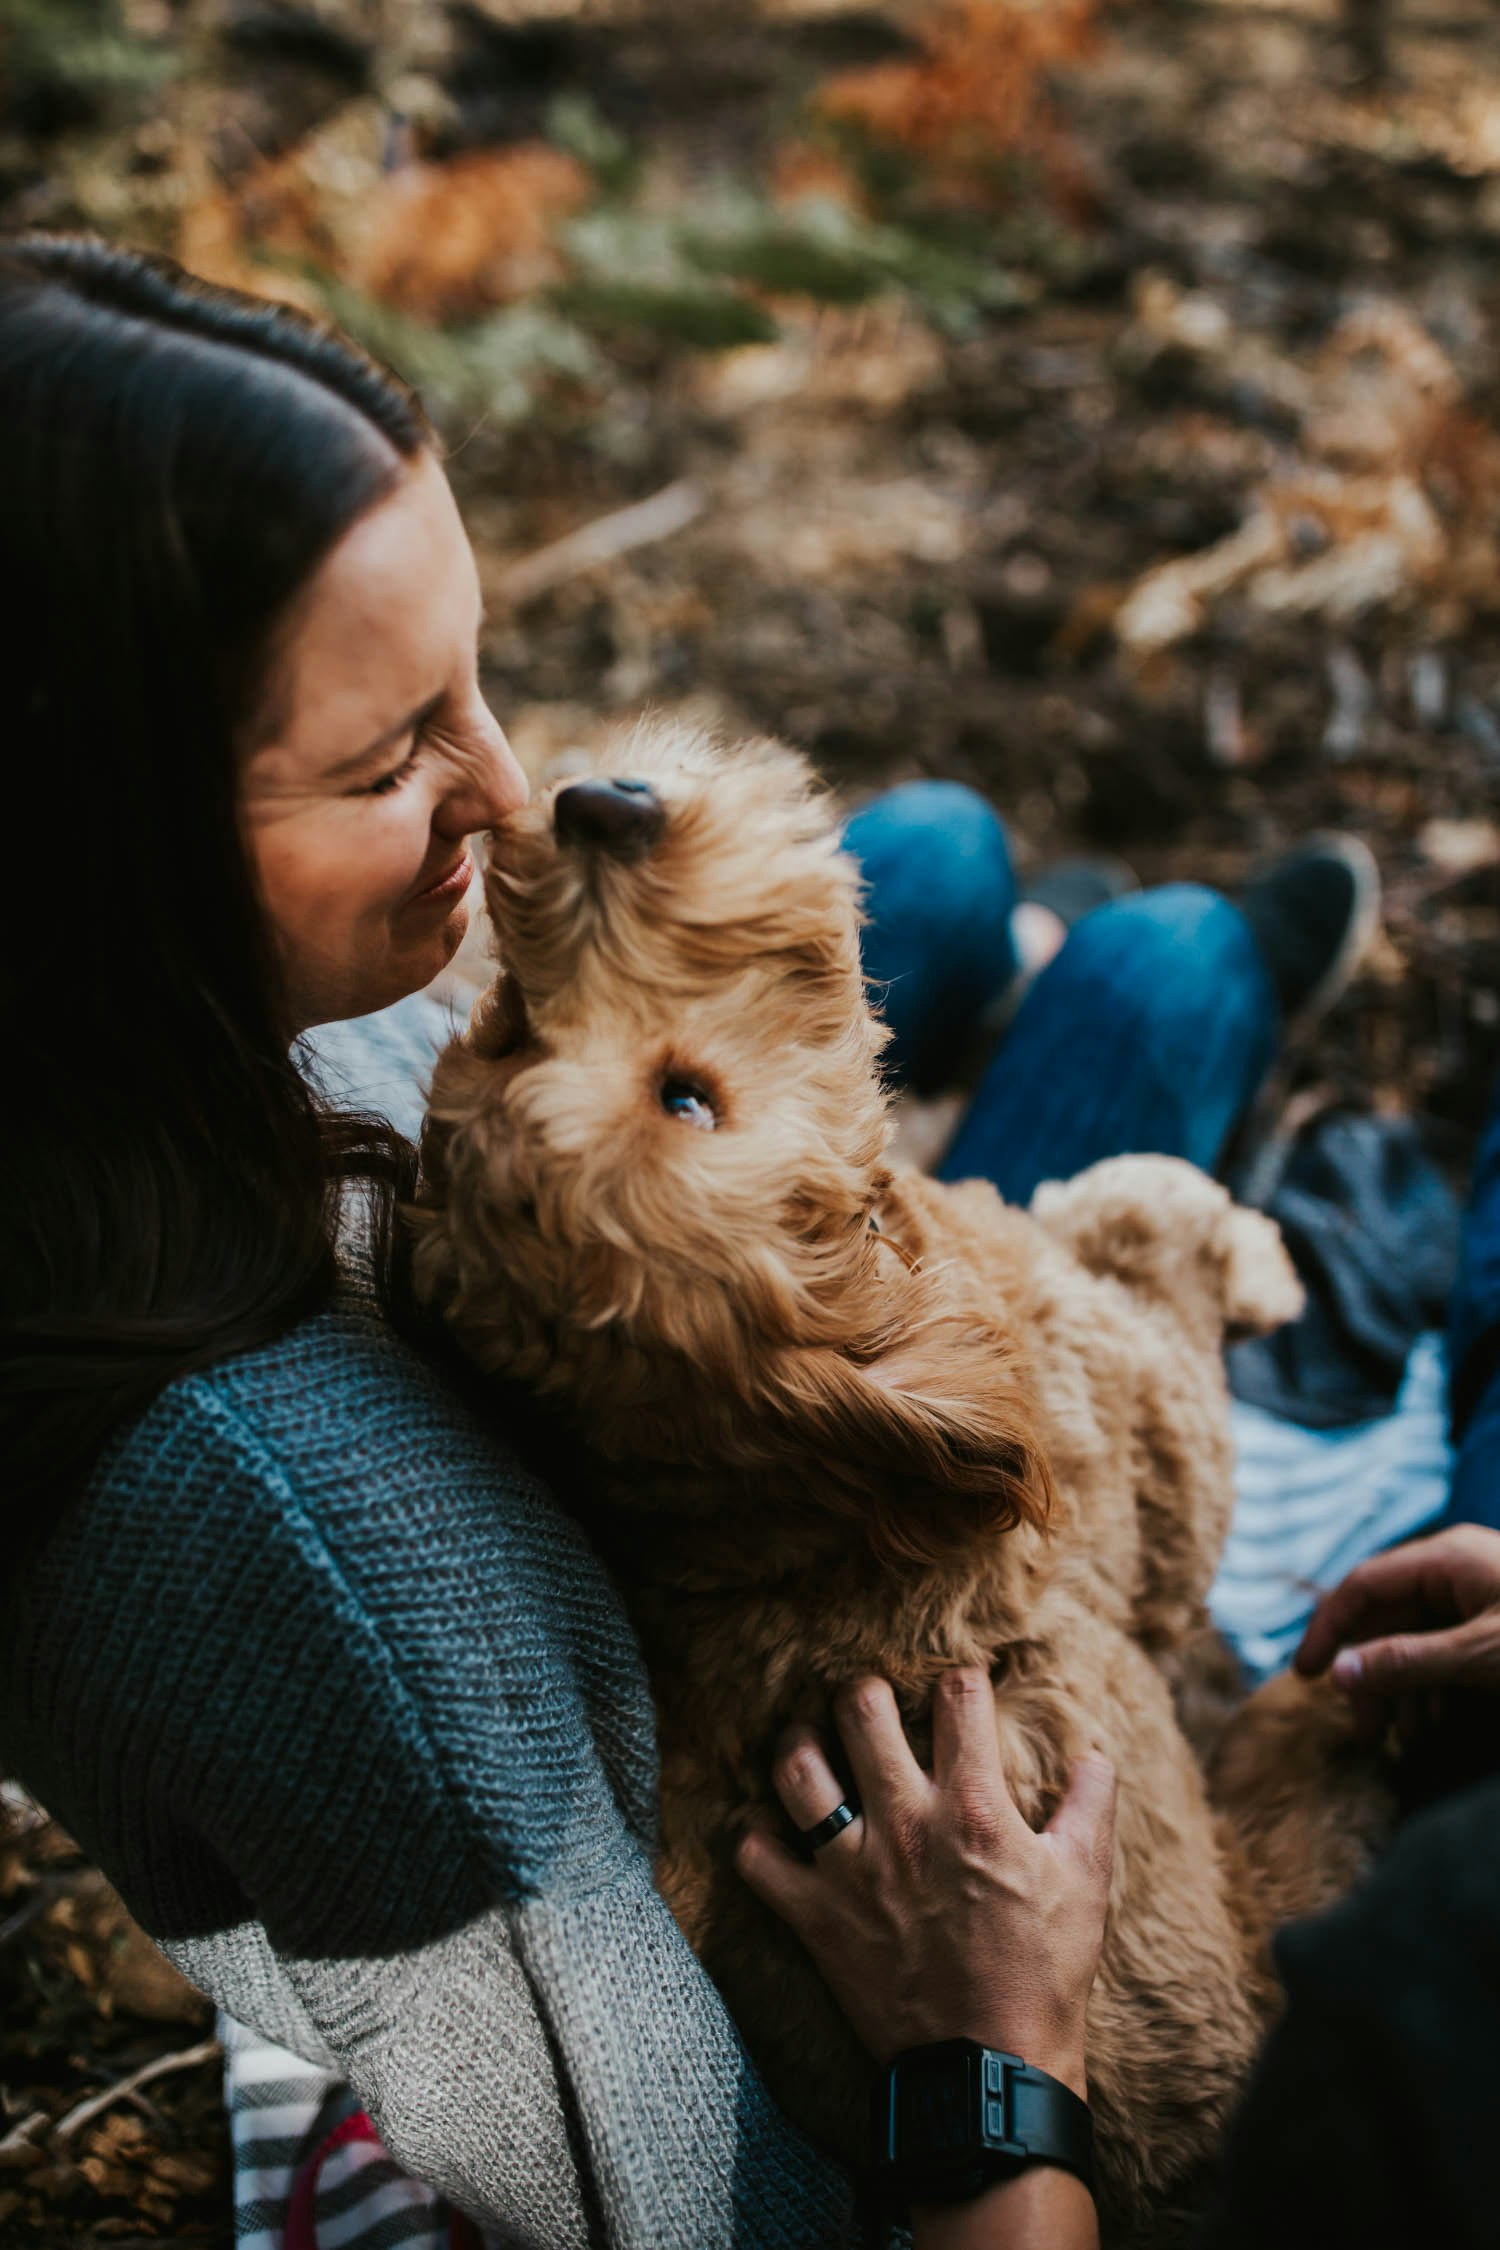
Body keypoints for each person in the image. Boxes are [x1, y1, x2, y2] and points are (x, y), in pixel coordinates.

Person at [0, 231, 1379, 2250]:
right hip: (922, 2021)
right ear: (100, 859)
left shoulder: (186, 1025)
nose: (511, 786)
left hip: (730, 1412)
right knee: (1159, 974)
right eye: (394, 758)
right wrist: (991, 2044)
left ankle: (1025, 946)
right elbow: (685, 2196)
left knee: (945, 861)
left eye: (478, 676)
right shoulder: (323, 1602)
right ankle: (1135, 983)